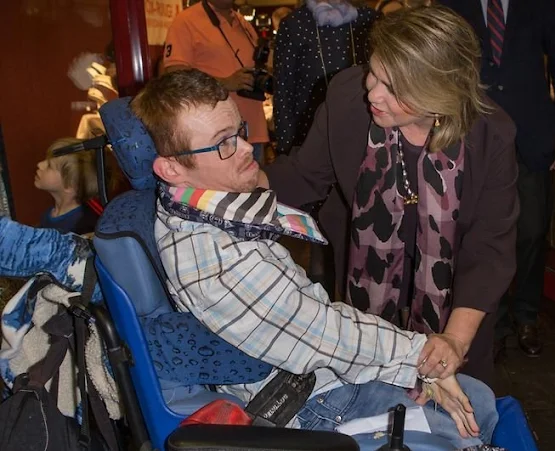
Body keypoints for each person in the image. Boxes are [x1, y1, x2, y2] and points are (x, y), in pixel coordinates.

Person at [131, 68, 500, 451]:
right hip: (307, 403)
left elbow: (315, 325)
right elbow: (320, 332)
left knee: (482, 405)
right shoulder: (217, 260)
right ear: (171, 168)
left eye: (239, 131)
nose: (245, 148)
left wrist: (419, 363)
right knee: (470, 425)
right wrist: (423, 360)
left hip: (314, 374)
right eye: (222, 144)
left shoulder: (210, 213)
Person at [262, 5, 519, 386]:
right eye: (374, 72)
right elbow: (302, 176)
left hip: (454, 308)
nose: (373, 93)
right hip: (364, 305)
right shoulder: (348, 98)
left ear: (439, 94)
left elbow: (489, 251)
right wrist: (226, 182)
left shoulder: (490, 136)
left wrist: (453, 339)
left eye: (394, 88)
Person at [439, 0, 555, 358]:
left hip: (533, 134)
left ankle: (527, 313)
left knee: (532, 231)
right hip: (475, 133)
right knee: (481, 232)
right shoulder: (451, 4)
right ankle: (493, 321)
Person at [163, 0, 269, 164]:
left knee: (257, 189)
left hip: (253, 131)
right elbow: (175, 76)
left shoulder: (243, 23)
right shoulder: (185, 21)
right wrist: (225, 82)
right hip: (216, 140)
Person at [273, 0, 378, 155]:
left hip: (364, 127)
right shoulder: (295, 24)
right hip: (311, 133)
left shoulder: (369, 19)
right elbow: (283, 90)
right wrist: (285, 148)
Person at [34, 138, 102, 235]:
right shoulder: (50, 214)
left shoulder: (81, 226)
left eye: (49, 166)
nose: (40, 165)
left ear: (70, 185)